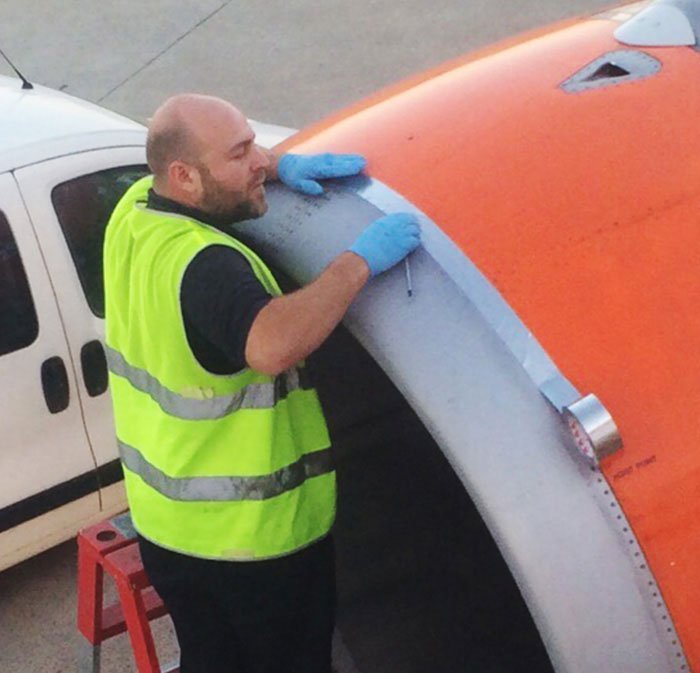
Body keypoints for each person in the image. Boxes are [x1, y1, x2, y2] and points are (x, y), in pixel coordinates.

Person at [103, 93, 420, 673]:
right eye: (240, 154)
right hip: (253, 546)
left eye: (254, 145)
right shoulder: (206, 264)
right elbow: (272, 344)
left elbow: (195, 163)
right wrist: (358, 263)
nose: (259, 161)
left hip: (169, 530)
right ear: (185, 176)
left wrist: (278, 167)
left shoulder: (133, 213)